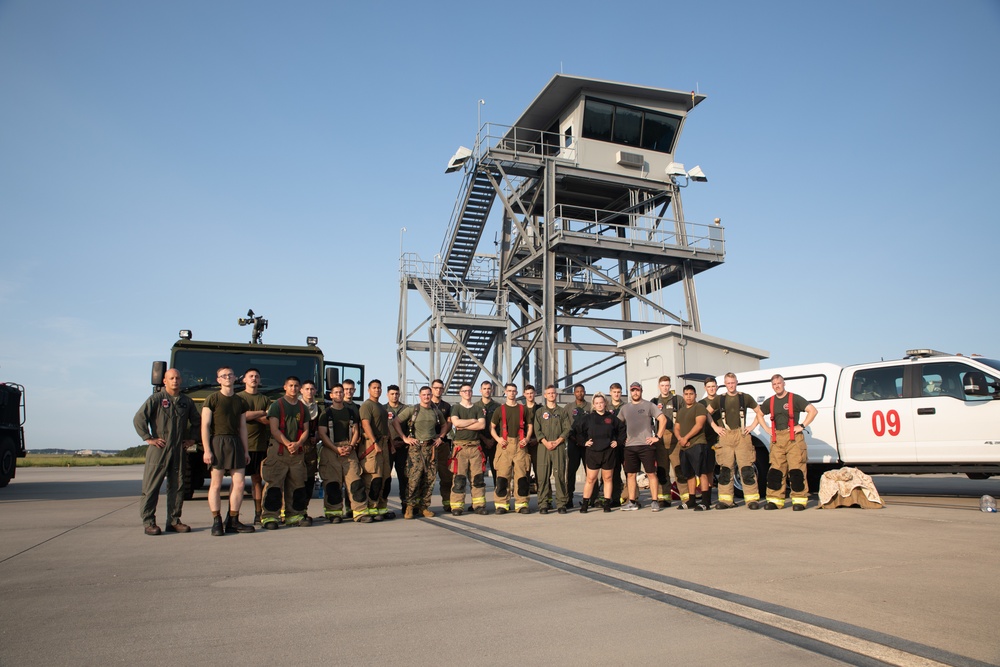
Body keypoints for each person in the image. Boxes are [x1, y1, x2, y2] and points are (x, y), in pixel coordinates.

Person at [133, 368, 200, 535]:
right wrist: (148, 438)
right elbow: (139, 418)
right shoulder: (156, 399)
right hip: (159, 449)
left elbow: (197, 421)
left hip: (178, 449)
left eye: (177, 378)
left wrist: (192, 439)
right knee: (151, 486)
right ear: (164, 381)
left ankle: (174, 521)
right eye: (171, 378)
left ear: (181, 380)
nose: (175, 381)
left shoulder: (186, 401)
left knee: (177, 486)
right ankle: (149, 522)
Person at [200, 367, 254, 535]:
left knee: (239, 483)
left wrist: (246, 451)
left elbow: (243, 427)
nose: (227, 377)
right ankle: (216, 521)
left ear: (235, 378)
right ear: (218, 380)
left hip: (236, 442)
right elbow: (205, 426)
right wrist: (207, 450)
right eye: (224, 376)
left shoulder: (240, 401)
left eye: (230, 375)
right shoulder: (212, 399)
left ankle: (233, 520)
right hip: (218, 441)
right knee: (216, 484)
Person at [760, 374, 818, 511]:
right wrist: (766, 428)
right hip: (777, 439)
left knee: (796, 470)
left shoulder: (794, 398)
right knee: (776, 471)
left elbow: (812, 411)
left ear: (784, 383)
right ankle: (775, 501)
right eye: (774, 384)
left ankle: (799, 501)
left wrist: (802, 426)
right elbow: (759, 414)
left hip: (794, 439)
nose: (777, 386)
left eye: (779, 383)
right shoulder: (770, 401)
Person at [260, 376, 311, 529]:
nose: (293, 388)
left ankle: (294, 516)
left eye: (296, 386)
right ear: (285, 387)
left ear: (299, 388)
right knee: (274, 485)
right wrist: (288, 443)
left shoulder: (303, 408)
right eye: (291, 385)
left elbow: (306, 430)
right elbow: (274, 429)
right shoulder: (277, 405)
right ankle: (270, 517)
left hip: (297, 453)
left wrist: (298, 443)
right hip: (279, 451)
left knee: (297, 485)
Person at [708, 373, 765, 510]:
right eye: (728, 383)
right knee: (725, 470)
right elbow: (706, 413)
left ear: (737, 382)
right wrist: (715, 427)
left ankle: (752, 499)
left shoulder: (745, 397)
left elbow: (760, 411)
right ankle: (725, 500)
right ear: (725, 384)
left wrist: (752, 426)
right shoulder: (719, 399)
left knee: (746, 469)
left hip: (742, 435)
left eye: (733, 382)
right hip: (725, 436)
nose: (731, 385)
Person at [394, 386, 450, 518]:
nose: (426, 397)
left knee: (430, 479)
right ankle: (410, 507)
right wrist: (404, 438)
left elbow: (444, 425)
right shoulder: (413, 410)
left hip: (431, 449)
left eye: (428, 394)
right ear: (419, 396)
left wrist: (441, 437)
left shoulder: (435, 411)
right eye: (424, 395)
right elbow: (395, 421)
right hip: (416, 449)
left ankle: (424, 507)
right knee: (414, 478)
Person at [317, 383, 366, 523]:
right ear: (331, 395)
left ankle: (360, 512)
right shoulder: (326, 413)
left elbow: (356, 431)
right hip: (331, 450)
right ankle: (334, 513)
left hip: (349, 450)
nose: (339, 394)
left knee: (355, 482)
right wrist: (335, 449)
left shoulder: (351, 412)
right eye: (336, 392)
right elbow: (322, 433)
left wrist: (351, 446)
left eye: (341, 392)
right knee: (333, 483)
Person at [618, 382, 668, 511]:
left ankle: (654, 501)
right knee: (630, 475)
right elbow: (617, 425)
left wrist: (657, 437)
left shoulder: (649, 405)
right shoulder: (625, 408)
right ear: (630, 392)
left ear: (641, 391)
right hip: (630, 447)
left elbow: (663, 419)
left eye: (637, 390)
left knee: (651, 473)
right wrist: (621, 439)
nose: (635, 393)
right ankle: (632, 502)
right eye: (633, 390)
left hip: (646, 446)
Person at [489, 382, 534, 514]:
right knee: (503, 477)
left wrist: (527, 438)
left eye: (514, 391)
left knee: (522, 477)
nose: (512, 393)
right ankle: (502, 504)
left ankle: (522, 504)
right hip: (504, 446)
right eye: (509, 390)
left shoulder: (523, 409)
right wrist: (498, 439)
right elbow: (492, 427)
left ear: (517, 392)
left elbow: (530, 426)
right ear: (505, 392)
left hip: (520, 445)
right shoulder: (500, 410)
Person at [579, 392, 624, 513]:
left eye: (601, 403)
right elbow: (577, 431)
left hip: (608, 452)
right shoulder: (588, 418)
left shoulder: (612, 418)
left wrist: (618, 442)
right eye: (597, 403)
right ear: (593, 405)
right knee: (591, 479)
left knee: (607, 478)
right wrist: (584, 442)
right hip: (593, 453)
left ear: (605, 403)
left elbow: (622, 430)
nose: (599, 405)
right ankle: (585, 504)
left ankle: (607, 503)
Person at [449, 383, 488, 515]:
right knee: (459, 479)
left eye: (469, 391)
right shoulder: (455, 408)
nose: (467, 393)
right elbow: (456, 423)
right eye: (464, 391)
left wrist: (464, 425)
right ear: (460, 393)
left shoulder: (478, 408)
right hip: (460, 448)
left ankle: (479, 505)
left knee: (478, 478)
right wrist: (473, 420)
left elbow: (481, 425)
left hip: (475, 448)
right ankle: (457, 506)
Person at [238, 368, 270, 524]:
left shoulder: (264, 399)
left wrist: (250, 415)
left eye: (256, 376)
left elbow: (268, 420)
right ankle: (233, 515)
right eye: (250, 376)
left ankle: (258, 513)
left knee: (257, 480)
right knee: (238, 482)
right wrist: (260, 413)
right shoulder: (238, 398)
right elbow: (239, 416)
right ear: (244, 379)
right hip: (240, 445)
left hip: (259, 446)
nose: (254, 378)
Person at [532, 384, 571, 514]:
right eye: (549, 393)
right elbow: (537, 430)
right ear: (545, 395)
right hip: (543, 447)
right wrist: (545, 442)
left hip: (558, 446)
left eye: (553, 393)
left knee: (559, 475)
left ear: (556, 394)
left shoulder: (562, 412)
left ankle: (561, 503)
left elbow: (567, 429)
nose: (551, 395)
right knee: (543, 476)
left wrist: (558, 441)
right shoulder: (540, 412)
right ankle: (543, 504)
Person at [359, 379, 394, 520]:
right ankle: (371, 508)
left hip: (384, 444)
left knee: (386, 478)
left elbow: (386, 427)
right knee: (374, 478)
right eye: (374, 387)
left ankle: (381, 507)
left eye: (379, 388)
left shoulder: (381, 407)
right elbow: (365, 425)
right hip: (372, 444)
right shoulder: (366, 406)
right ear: (369, 390)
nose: (377, 390)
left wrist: (391, 445)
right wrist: (374, 442)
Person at [673, 385, 711, 511]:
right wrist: (680, 438)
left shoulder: (699, 407)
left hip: (697, 444)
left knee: (702, 473)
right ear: (683, 395)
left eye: (691, 394)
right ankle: (692, 500)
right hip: (684, 447)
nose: (688, 396)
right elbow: (676, 427)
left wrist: (686, 438)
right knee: (689, 474)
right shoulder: (681, 411)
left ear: (695, 395)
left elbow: (699, 425)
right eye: (686, 394)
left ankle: (705, 502)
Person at [651, 376, 684, 508]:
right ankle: (664, 498)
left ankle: (686, 497)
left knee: (679, 469)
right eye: (662, 385)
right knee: (662, 471)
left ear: (670, 386)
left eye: (667, 385)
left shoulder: (678, 400)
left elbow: (685, 416)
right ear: (659, 386)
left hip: (675, 438)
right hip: (660, 439)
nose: (665, 388)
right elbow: (648, 420)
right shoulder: (654, 401)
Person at [430, 379, 454, 513]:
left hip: (443, 444)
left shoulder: (447, 406)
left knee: (446, 476)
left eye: (440, 388)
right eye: (436, 388)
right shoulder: (426, 404)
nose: (438, 390)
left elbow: (449, 423)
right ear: (431, 389)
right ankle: (422, 505)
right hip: (428, 445)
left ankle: (447, 502)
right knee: (427, 477)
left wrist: (441, 436)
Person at [385, 384, 409, 513]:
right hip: (388, 447)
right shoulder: (383, 409)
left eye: (396, 394)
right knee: (385, 477)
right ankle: (382, 504)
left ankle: (405, 504)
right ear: (387, 395)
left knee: (404, 477)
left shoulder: (406, 409)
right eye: (392, 394)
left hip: (403, 447)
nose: (394, 396)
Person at [565, 383, 590, 508]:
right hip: (573, 443)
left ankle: (592, 498)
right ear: (574, 393)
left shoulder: (590, 406)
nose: (580, 393)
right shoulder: (569, 407)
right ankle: (568, 498)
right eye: (577, 391)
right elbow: (565, 424)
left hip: (587, 444)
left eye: (582, 391)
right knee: (571, 472)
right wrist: (572, 437)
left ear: (584, 392)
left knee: (590, 471)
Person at [299, 380, 322, 515]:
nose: (309, 392)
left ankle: (303, 510)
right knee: (294, 479)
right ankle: (287, 511)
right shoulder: (296, 406)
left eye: (312, 389)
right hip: (297, 446)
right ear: (301, 391)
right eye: (306, 389)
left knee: (309, 480)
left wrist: (317, 436)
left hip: (311, 447)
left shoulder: (318, 409)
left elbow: (320, 426)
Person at [475, 381, 500, 487]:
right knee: (479, 470)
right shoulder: (475, 406)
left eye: (489, 388)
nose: (487, 391)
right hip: (480, 442)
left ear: (492, 390)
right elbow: (474, 425)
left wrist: (493, 440)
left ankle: (498, 495)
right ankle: (478, 496)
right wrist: (485, 440)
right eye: (484, 389)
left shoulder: (498, 407)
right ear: (480, 390)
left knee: (497, 469)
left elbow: (500, 425)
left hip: (495, 443)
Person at [608, 382, 626, 507]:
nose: (616, 394)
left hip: (624, 443)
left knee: (629, 471)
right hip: (611, 444)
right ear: (610, 393)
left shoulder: (626, 406)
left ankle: (631, 497)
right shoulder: (606, 407)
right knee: (614, 472)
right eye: (614, 392)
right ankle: (615, 498)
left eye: (619, 392)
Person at [522, 385, 540, 495]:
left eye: (531, 393)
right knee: (524, 471)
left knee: (540, 472)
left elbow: (544, 427)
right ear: (524, 394)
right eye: (527, 393)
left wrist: (537, 439)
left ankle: (545, 498)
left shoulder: (540, 409)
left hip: (538, 444)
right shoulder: (520, 409)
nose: (529, 395)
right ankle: (524, 497)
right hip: (524, 444)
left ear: (535, 393)